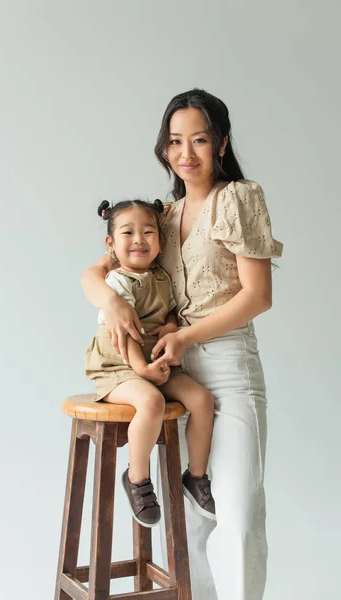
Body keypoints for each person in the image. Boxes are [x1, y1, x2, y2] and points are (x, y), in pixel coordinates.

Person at [80, 89, 283, 600]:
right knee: (188, 522)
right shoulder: (161, 216)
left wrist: (183, 334)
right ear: (164, 148)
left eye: (198, 139)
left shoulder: (239, 198)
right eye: (174, 141)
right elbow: (94, 271)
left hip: (228, 365)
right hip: (172, 371)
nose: (185, 153)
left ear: (221, 143)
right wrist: (113, 302)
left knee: (235, 517)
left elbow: (258, 297)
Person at [85, 198, 216, 528]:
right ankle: (137, 478)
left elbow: (170, 311)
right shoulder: (116, 282)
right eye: (128, 233)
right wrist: (141, 369)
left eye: (148, 232)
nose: (139, 240)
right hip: (119, 366)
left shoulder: (161, 278)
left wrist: (172, 327)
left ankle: (195, 475)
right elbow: (123, 335)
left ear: (160, 240)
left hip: (154, 363)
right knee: (151, 401)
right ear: (111, 244)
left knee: (202, 400)